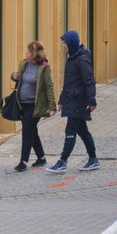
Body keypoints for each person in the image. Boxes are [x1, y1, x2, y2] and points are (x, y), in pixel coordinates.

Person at [47, 31, 99, 173]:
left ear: (72, 43)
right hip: (73, 100)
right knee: (82, 130)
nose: (64, 46)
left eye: (65, 43)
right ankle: (93, 159)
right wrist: (62, 100)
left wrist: (92, 100)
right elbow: (69, 83)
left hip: (79, 101)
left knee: (70, 130)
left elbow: (89, 81)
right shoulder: (73, 58)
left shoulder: (81, 60)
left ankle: (63, 162)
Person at [10, 41, 56, 172]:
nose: (25, 54)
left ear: (34, 54)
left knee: (27, 130)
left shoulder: (44, 68)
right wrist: (14, 76)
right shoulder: (24, 64)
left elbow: (49, 86)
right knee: (32, 130)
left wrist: (52, 106)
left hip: (35, 106)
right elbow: (18, 78)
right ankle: (41, 158)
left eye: (28, 52)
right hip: (22, 104)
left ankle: (23, 161)